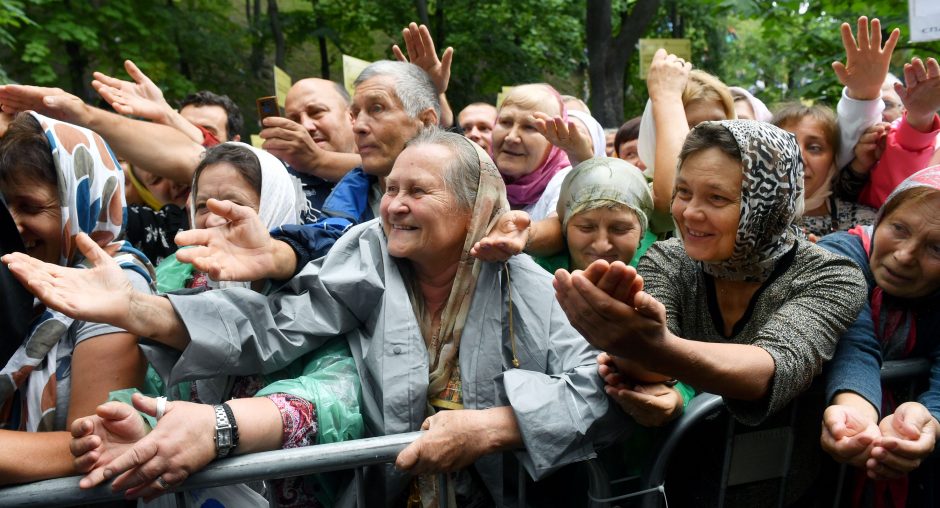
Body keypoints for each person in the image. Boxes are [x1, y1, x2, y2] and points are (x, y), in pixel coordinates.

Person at [4, 129, 622, 505]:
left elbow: (596, 389)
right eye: (391, 190)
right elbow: (275, 326)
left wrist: (493, 428)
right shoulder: (369, 254)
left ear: (475, 205)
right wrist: (141, 309)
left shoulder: (532, 287)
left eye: (418, 192)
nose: (396, 206)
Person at [554, 120, 867, 503]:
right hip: (678, 485)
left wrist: (651, 346)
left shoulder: (830, 275)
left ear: (768, 201)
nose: (689, 213)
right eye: (683, 192)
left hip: (792, 491)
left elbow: (770, 367)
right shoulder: (669, 258)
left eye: (716, 199)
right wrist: (627, 346)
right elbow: (653, 369)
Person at [0, 112, 155, 485]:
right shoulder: (22, 275)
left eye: (30, 208)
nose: (13, 224)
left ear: (82, 202)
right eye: (4, 206)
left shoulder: (119, 285)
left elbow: (96, 443)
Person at [819, 166, 940, 507]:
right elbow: (854, 343)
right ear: (882, 216)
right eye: (899, 229)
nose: (905, 255)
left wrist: (927, 422)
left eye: (937, 249)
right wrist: (854, 422)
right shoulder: (839, 256)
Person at [773, 103, 877, 238]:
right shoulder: (744, 219)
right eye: (785, 144)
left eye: (814, 148)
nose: (799, 158)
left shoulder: (866, 225)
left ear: (833, 161)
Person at [260, 78, 362, 213]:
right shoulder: (275, 178)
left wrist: (317, 161)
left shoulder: (390, 168)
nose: (305, 126)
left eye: (316, 112)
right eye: (294, 119)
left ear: (352, 116)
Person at [492, 83, 572, 220]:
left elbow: (557, 228)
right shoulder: (476, 174)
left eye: (529, 127)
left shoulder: (567, 182)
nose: (511, 137)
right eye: (505, 122)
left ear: (555, 140)